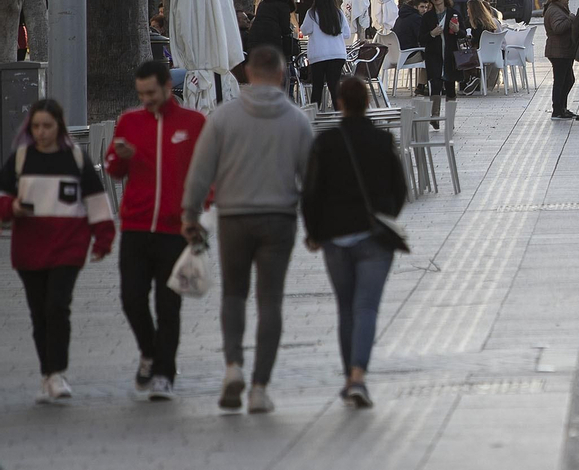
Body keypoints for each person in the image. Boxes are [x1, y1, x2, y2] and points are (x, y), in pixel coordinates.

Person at [181, 45, 314, 414]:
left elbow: (200, 170)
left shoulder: (223, 118)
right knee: (270, 300)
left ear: (248, 73)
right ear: (282, 74)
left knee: (234, 295)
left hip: (234, 217)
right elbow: (312, 180)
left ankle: (233, 367)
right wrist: (315, 227)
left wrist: (191, 214)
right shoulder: (297, 120)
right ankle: (259, 388)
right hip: (279, 219)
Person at [300, 76, 407, 409]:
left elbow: (311, 192)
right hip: (374, 236)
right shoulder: (382, 139)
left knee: (346, 308)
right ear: (368, 103)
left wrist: (314, 232)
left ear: (340, 103)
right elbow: (399, 188)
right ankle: (358, 376)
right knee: (366, 308)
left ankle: (350, 378)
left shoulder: (326, 142)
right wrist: (386, 214)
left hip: (336, 238)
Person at [105, 62, 207, 400]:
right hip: (135, 226)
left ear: (167, 86)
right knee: (132, 298)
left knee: (168, 305)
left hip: (174, 229)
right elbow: (113, 169)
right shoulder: (130, 122)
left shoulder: (193, 123)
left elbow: (208, 172)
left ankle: (164, 373)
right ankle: (149, 353)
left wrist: (200, 211)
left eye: (152, 92)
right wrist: (120, 158)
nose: (146, 99)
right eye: (141, 94)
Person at [2, 98, 114, 403]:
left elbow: (97, 202)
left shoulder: (75, 159)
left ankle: (57, 373)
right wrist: (12, 208)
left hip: (68, 247)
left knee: (57, 306)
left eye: (47, 126)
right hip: (29, 250)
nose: (41, 132)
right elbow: (2, 201)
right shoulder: (20, 160)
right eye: (36, 126)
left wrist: (103, 240)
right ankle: (46, 374)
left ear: (59, 127)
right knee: (39, 313)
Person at [302, 0, 349, 109]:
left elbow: (304, 30)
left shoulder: (312, 13)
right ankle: (340, 115)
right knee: (334, 86)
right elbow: (347, 34)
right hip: (338, 53)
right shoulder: (339, 13)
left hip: (318, 55)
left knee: (317, 87)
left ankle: (314, 115)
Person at [420, 0, 462, 126]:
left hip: (450, 55)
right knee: (435, 83)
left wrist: (457, 30)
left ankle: (450, 119)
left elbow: (464, 33)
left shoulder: (453, 13)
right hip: (434, 55)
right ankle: (435, 116)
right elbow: (421, 38)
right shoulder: (427, 17)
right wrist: (432, 34)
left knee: (450, 86)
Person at [540, 0, 578, 120]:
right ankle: (558, 109)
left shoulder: (559, 8)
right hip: (558, 51)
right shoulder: (555, 10)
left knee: (568, 79)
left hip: (563, 50)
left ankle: (562, 107)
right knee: (561, 80)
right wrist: (571, 19)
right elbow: (558, 28)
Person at [245, 0, 298, 73]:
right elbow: (285, 29)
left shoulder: (263, 3)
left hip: (255, 38)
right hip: (272, 39)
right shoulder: (283, 5)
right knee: (272, 66)